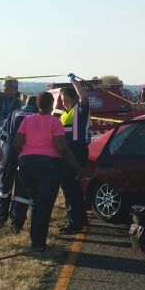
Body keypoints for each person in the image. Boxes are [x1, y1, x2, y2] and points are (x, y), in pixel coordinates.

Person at [14, 91, 81, 251]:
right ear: (52, 105)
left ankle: (35, 241)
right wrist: (77, 167)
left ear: (37, 104)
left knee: (35, 202)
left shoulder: (27, 120)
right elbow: (62, 147)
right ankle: (38, 243)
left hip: (26, 166)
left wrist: (28, 153)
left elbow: (16, 144)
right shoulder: (54, 122)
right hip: (48, 167)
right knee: (44, 205)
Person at [57, 73, 92, 234]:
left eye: (65, 99)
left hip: (77, 151)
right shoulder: (64, 115)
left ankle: (74, 223)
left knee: (70, 187)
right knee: (74, 187)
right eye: (62, 100)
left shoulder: (79, 109)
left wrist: (74, 82)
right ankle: (81, 218)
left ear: (74, 98)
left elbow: (84, 97)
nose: (63, 103)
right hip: (69, 152)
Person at [0, 95, 38, 231]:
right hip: (26, 155)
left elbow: (3, 135)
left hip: (9, 153)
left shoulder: (14, 113)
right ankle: (16, 223)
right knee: (22, 190)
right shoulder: (37, 116)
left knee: (4, 186)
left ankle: (0, 218)